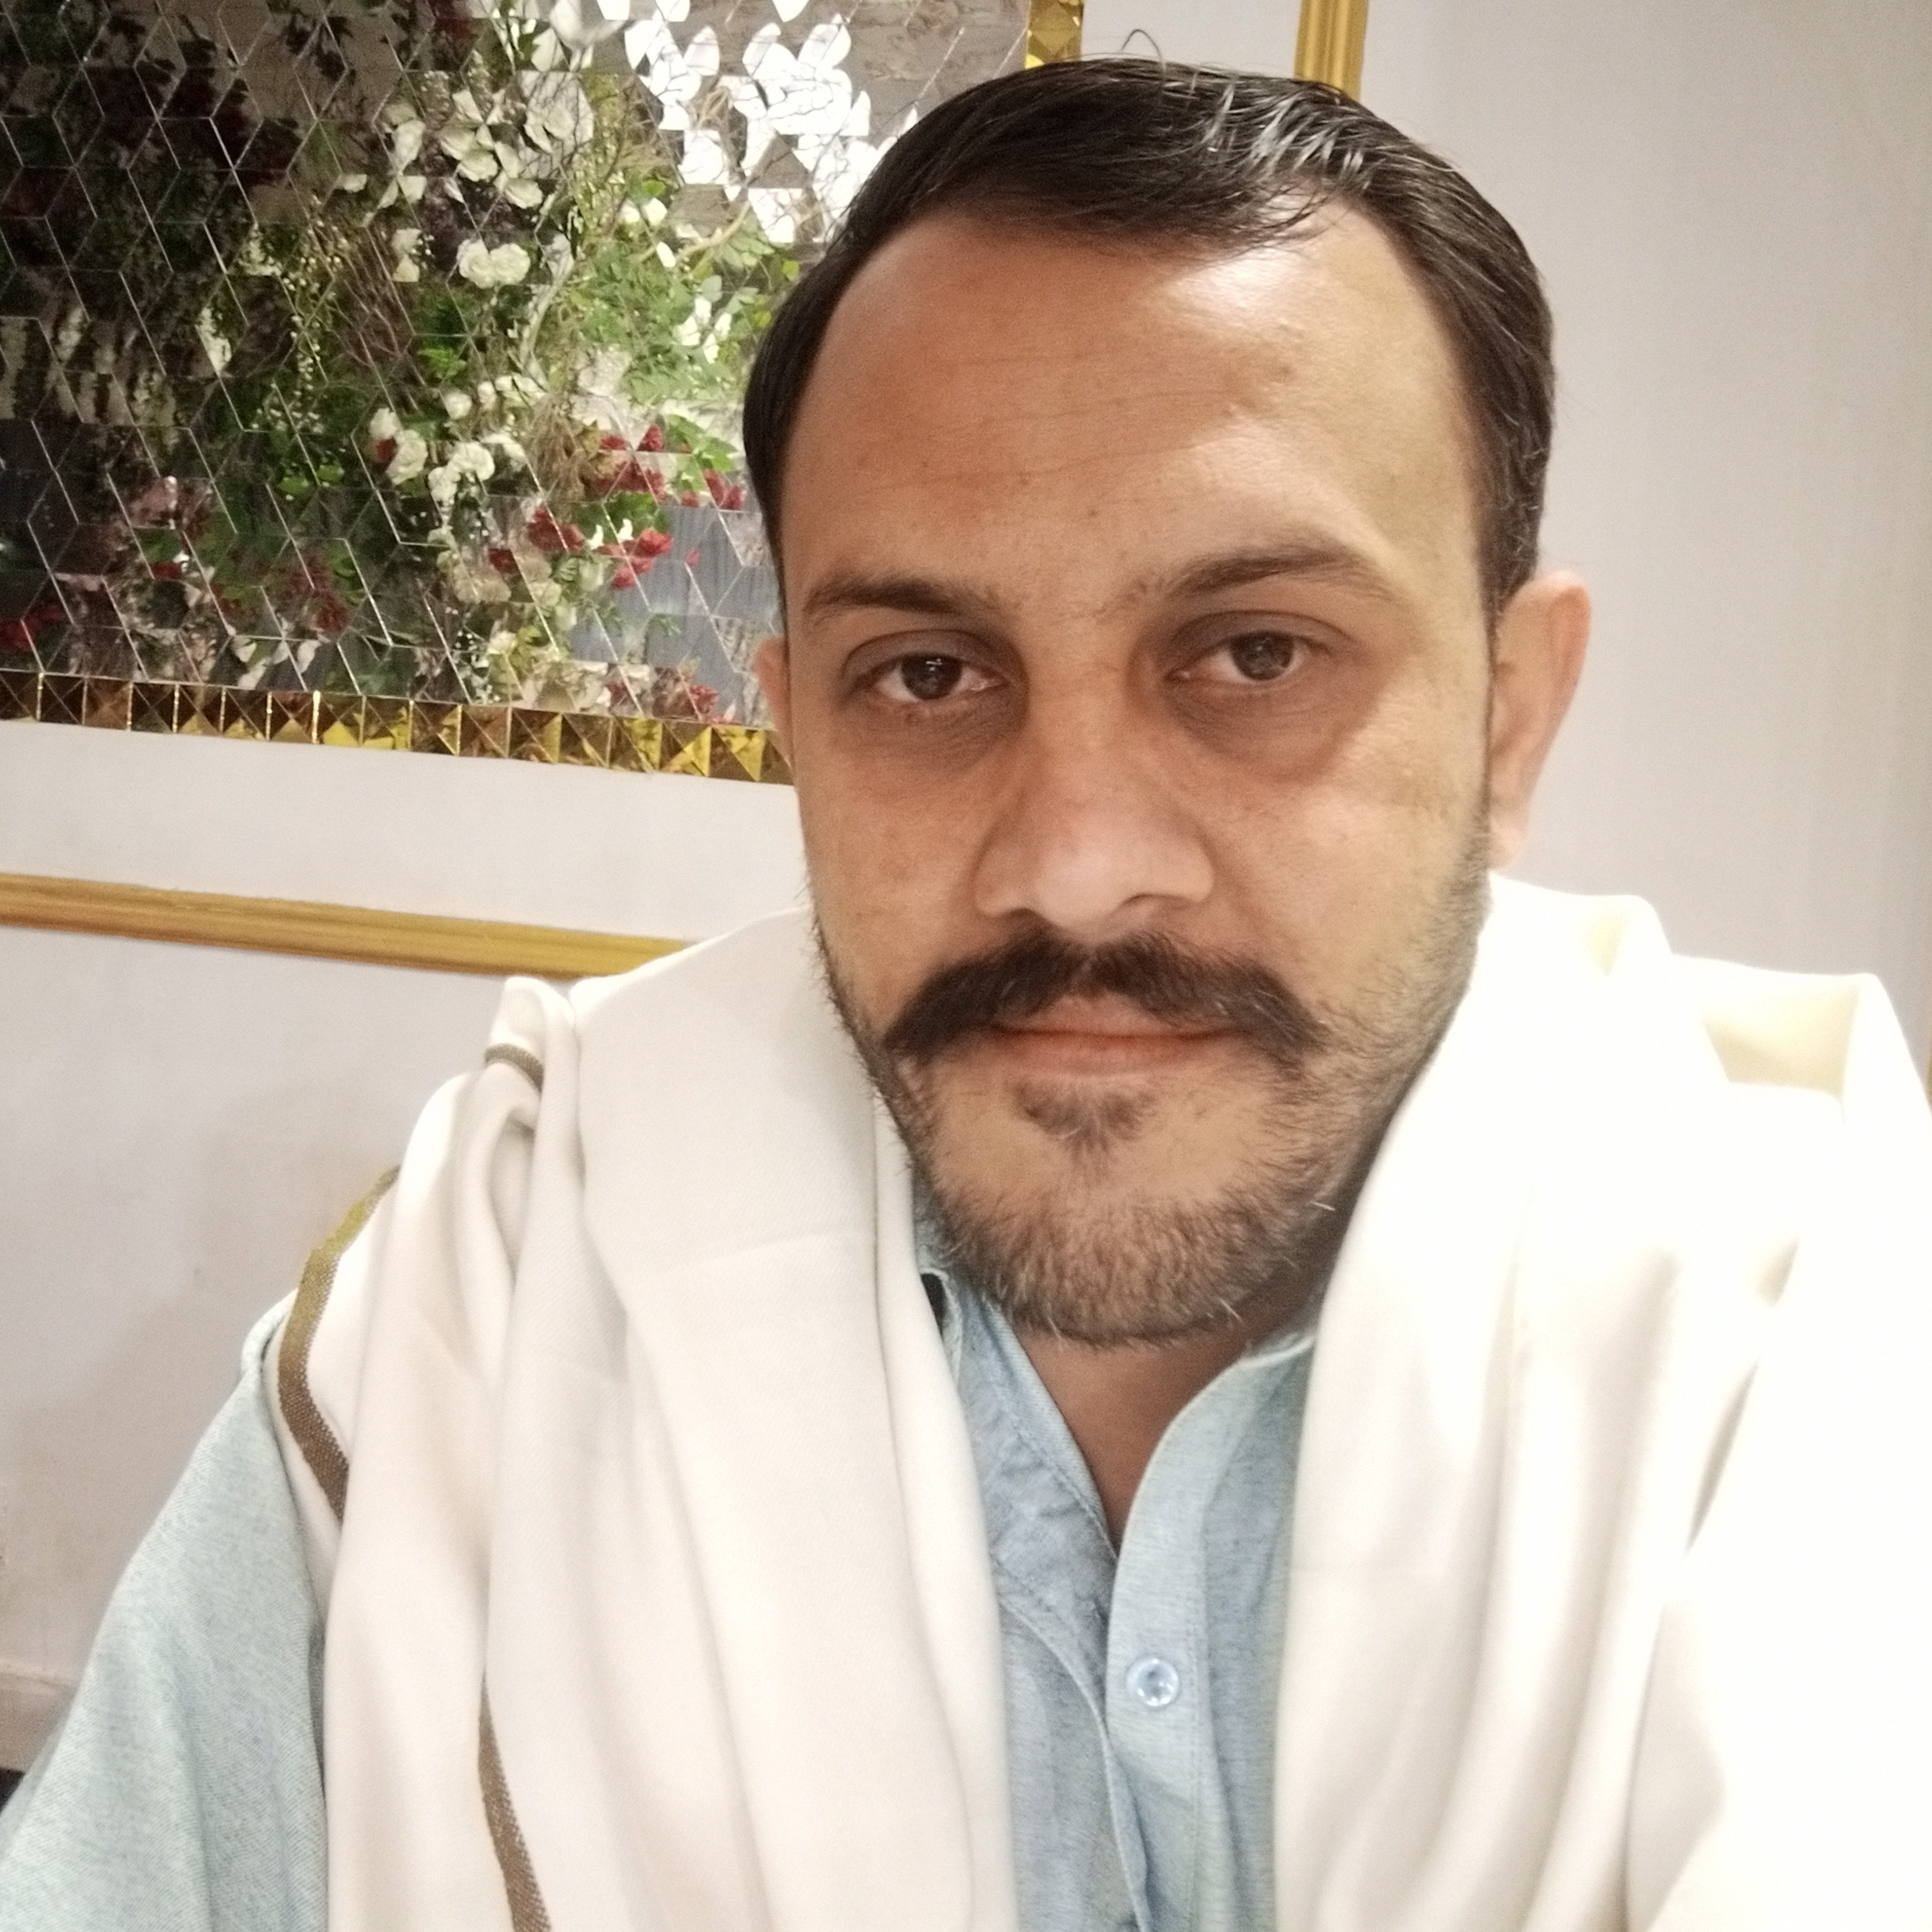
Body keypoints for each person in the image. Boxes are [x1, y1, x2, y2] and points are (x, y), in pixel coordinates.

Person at [2, 56, 1928, 1932]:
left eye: (1255, 654)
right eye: (926, 674)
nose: (1075, 864)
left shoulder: (1797, 1334)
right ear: (798, 728)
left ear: (1509, 716)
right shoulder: (489, 1297)